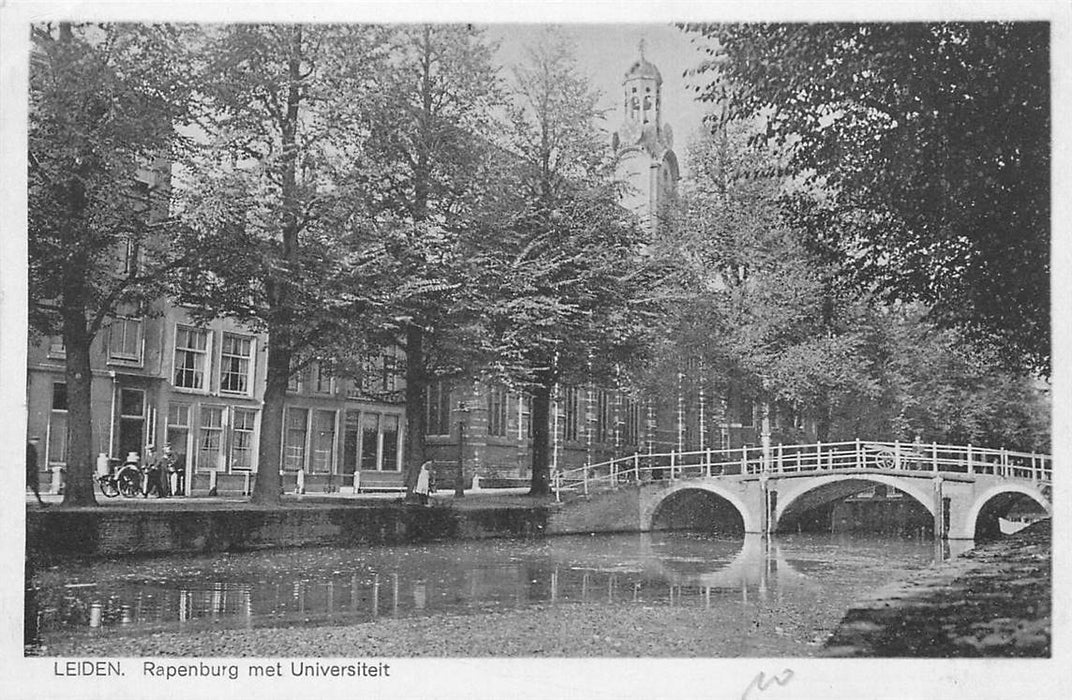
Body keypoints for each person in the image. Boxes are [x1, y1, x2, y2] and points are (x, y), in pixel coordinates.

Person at [26, 436, 47, 507]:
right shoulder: (30, 448)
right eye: (35, 440)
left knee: (34, 487)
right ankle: (40, 502)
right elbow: (31, 460)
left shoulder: (30, 447)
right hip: (30, 471)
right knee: (34, 487)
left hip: (30, 470)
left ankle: (40, 502)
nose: (36, 442)